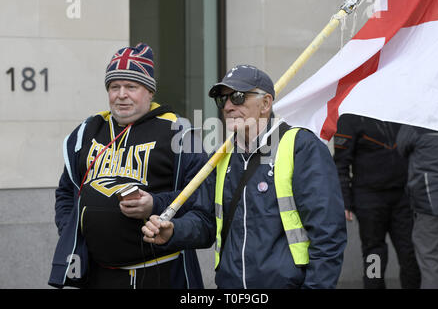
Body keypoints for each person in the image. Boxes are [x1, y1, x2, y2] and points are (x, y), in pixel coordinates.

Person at [142, 64, 347, 289]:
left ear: (266, 103)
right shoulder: (221, 158)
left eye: (238, 97)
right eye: (222, 100)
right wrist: (174, 231)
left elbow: (328, 235)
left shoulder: (302, 148)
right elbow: (205, 220)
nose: (228, 106)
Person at [48, 43, 207, 289]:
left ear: (150, 92)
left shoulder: (179, 132)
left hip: (160, 274)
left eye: (131, 86)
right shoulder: (88, 130)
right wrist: (71, 231)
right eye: (114, 87)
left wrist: (155, 204)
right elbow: (67, 190)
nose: (121, 94)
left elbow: (203, 199)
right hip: (97, 274)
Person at [333, 114, 421, 289]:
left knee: (410, 254)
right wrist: (345, 201)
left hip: (402, 197)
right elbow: (341, 164)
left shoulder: (401, 111)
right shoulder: (350, 117)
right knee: (374, 253)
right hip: (369, 199)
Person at [396, 95, 438, 289]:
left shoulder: (420, 121)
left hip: (430, 203)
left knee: (430, 264)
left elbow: (401, 146)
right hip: (436, 197)